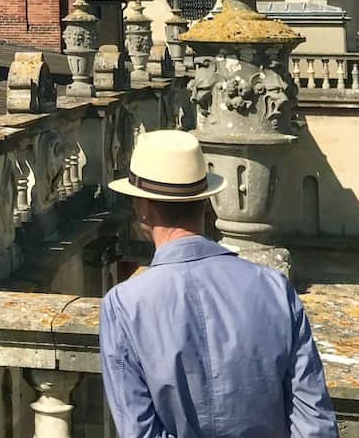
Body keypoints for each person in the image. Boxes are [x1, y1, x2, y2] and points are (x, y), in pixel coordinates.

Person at [100, 130, 338, 438]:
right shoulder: (273, 288)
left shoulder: (124, 305)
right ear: (206, 201)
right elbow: (314, 423)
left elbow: (138, 432)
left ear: (143, 206)